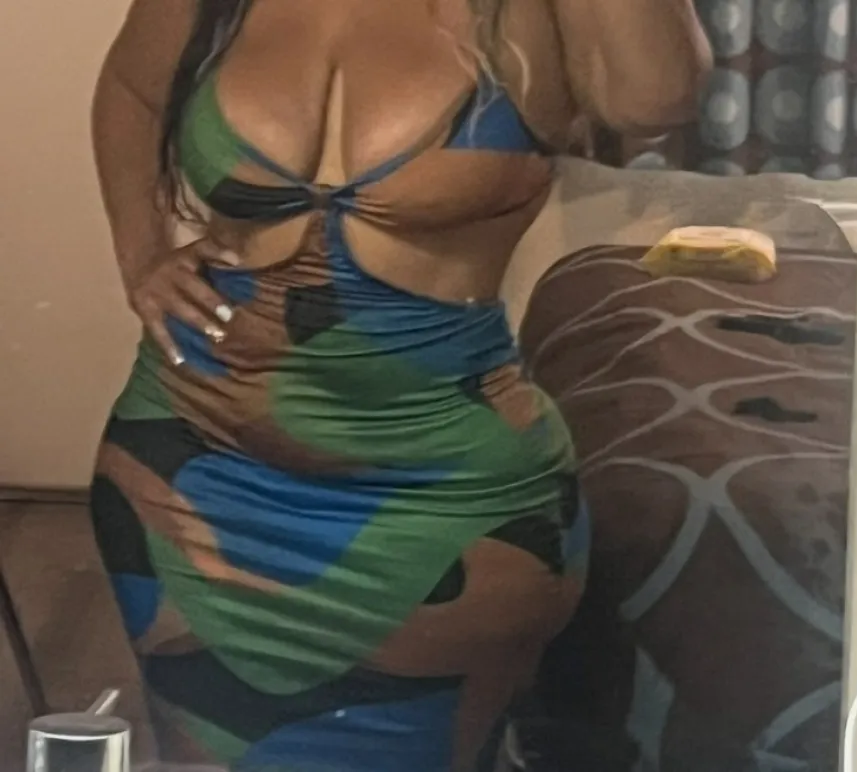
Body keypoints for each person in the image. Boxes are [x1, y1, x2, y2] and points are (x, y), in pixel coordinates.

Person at [87, 0, 711, 769]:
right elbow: (132, 89)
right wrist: (141, 254)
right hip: (187, 474)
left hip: (440, 509)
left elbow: (655, 98)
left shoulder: (524, 16)